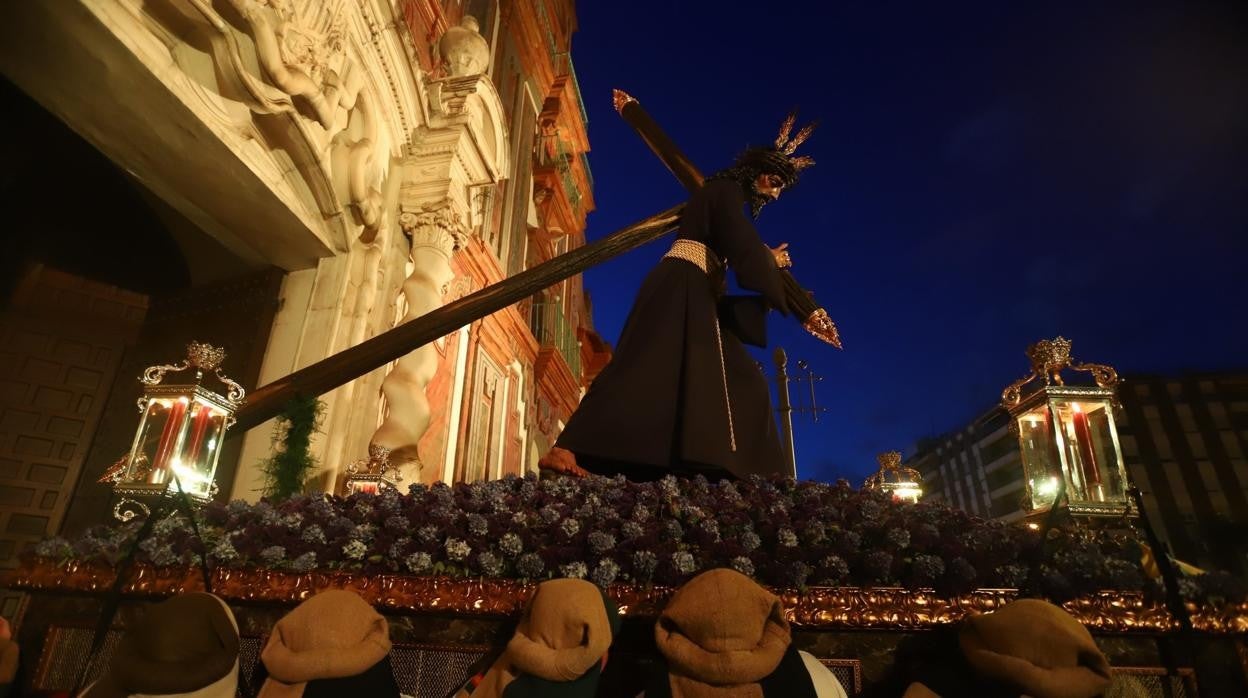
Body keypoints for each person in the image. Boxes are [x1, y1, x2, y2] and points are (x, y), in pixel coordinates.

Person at [540, 114, 816, 481]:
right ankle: (567, 448)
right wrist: (772, 263)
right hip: (679, 284)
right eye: (775, 182)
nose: (776, 192)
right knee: (639, 367)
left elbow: (737, 245)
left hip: (698, 291)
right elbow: (741, 241)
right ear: (758, 172)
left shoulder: (723, 199)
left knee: (734, 379)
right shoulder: (724, 193)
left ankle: (734, 472)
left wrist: (767, 280)